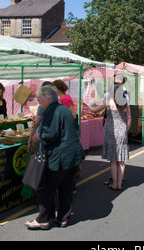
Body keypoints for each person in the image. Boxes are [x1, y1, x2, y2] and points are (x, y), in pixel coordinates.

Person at [25, 85, 85, 230]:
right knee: (66, 187)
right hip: (72, 155)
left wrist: (38, 137)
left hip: (61, 156)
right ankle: (63, 219)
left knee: (47, 187)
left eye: (40, 100)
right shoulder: (63, 109)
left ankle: (43, 219)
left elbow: (51, 134)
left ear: (48, 99)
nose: (39, 103)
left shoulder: (51, 110)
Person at [86, 84, 131, 190]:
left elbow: (94, 110)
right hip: (122, 131)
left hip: (111, 131)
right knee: (121, 160)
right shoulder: (125, 104)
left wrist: (86, 104)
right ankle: (119, 184)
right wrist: (125, 130)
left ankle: (114, 183)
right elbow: (129, 120)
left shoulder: (109, 102)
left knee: (113, 160)